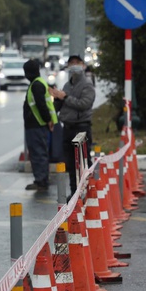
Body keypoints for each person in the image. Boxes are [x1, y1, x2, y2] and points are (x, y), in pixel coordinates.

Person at [49, 56, 96, 196]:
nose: (74, 66)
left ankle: (87, 191)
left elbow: (84, 104)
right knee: (70, 163)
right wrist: (56, 98)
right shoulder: (67, 85)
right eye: (71, 63)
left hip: (81, 128)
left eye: (77, 63)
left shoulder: (87, 84)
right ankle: (74, 192)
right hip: (67, 127)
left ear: (83, 65)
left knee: (83, 162)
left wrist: (65, 97)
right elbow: (61, 103)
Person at [23, 59, 57, 191]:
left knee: (38, 153)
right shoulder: (37, 83)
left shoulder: (36, 85)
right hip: (36, 124)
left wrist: (48, 119)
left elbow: (42, 105)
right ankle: (41, 179)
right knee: (38, 152)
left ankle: (41, 181)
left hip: (37, 124)